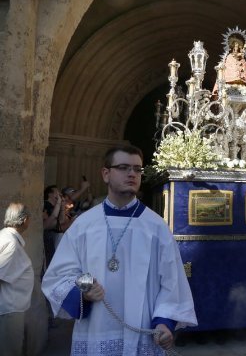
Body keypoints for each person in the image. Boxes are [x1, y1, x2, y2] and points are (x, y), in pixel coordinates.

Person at [42, 145, 197, 355]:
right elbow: (58, 276)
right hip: (95, 330)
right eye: (123, 167)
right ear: (106, 174)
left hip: (143, 331)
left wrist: (164, 323)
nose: (132, 173)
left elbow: (173, 281)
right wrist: (82, 294)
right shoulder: (84, 224)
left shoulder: (156, 226)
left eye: (137, 169)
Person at [0, 203, 33, 356]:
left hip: (10, 306)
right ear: (25, 220)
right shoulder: (11, 242)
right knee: (10, 351)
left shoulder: (5, 236)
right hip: (9, 308)